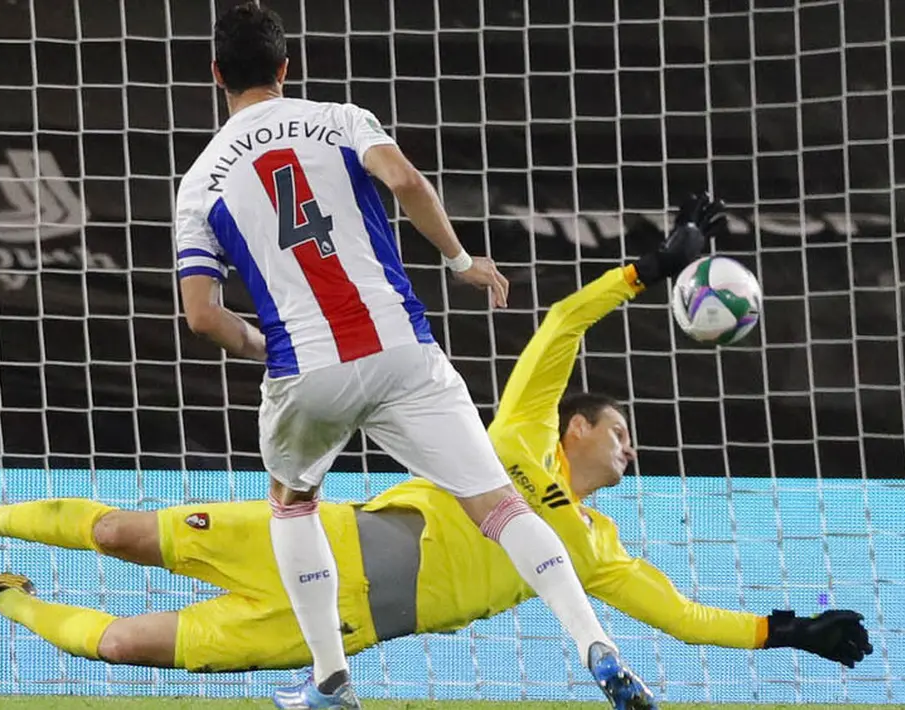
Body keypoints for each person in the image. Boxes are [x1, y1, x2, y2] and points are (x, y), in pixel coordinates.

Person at [0, 206, 873, 691]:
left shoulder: (594, 549)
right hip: (304, 543)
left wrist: (785, 631)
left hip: (331, 632)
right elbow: (558, 326)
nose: (630, 446)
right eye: (621, 428)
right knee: (126, 531)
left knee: (127, 643)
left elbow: (685, 614)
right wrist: (644, 274)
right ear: (576, 424)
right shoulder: (519, 428)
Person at [164, 3, 728, 708]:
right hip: (402, 350)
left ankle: (330, 681)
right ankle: (597, 647)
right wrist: (461, 260)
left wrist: (261, 345)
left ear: (215, 73)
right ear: (286, 67)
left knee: (292, 505)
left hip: (304, 369)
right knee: (500, 505)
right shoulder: (338, 118)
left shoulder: (200, 180)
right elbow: (403, 182)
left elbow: (202, 316)